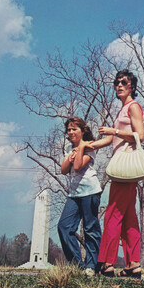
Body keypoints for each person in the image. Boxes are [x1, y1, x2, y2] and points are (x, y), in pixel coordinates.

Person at [89, 69, 144, 279]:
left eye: (123, 82)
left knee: (112, 214)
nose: (119, 85)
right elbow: (111, 141)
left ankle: (107, 263)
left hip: (126, 168)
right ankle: (133, 264)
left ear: (132, 86)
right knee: (129, 217)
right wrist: (87, 146)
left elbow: (139, 135)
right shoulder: (122, 110)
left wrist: (114, 131)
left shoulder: (133, 107)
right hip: (123, 169)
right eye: (116, 82)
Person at [58, 117, 103, 276]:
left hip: (90, 192)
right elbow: (64, 170)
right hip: (74, 194)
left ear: (83, 131)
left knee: (90, 228)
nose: (70, 132)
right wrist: (70, 155)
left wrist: (81, 148)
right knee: (64, 226)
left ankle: (92, 266)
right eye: (69, 130)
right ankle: (78, 265)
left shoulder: (89, 146)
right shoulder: (70, 148)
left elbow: (77, 166)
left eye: (74, 129)